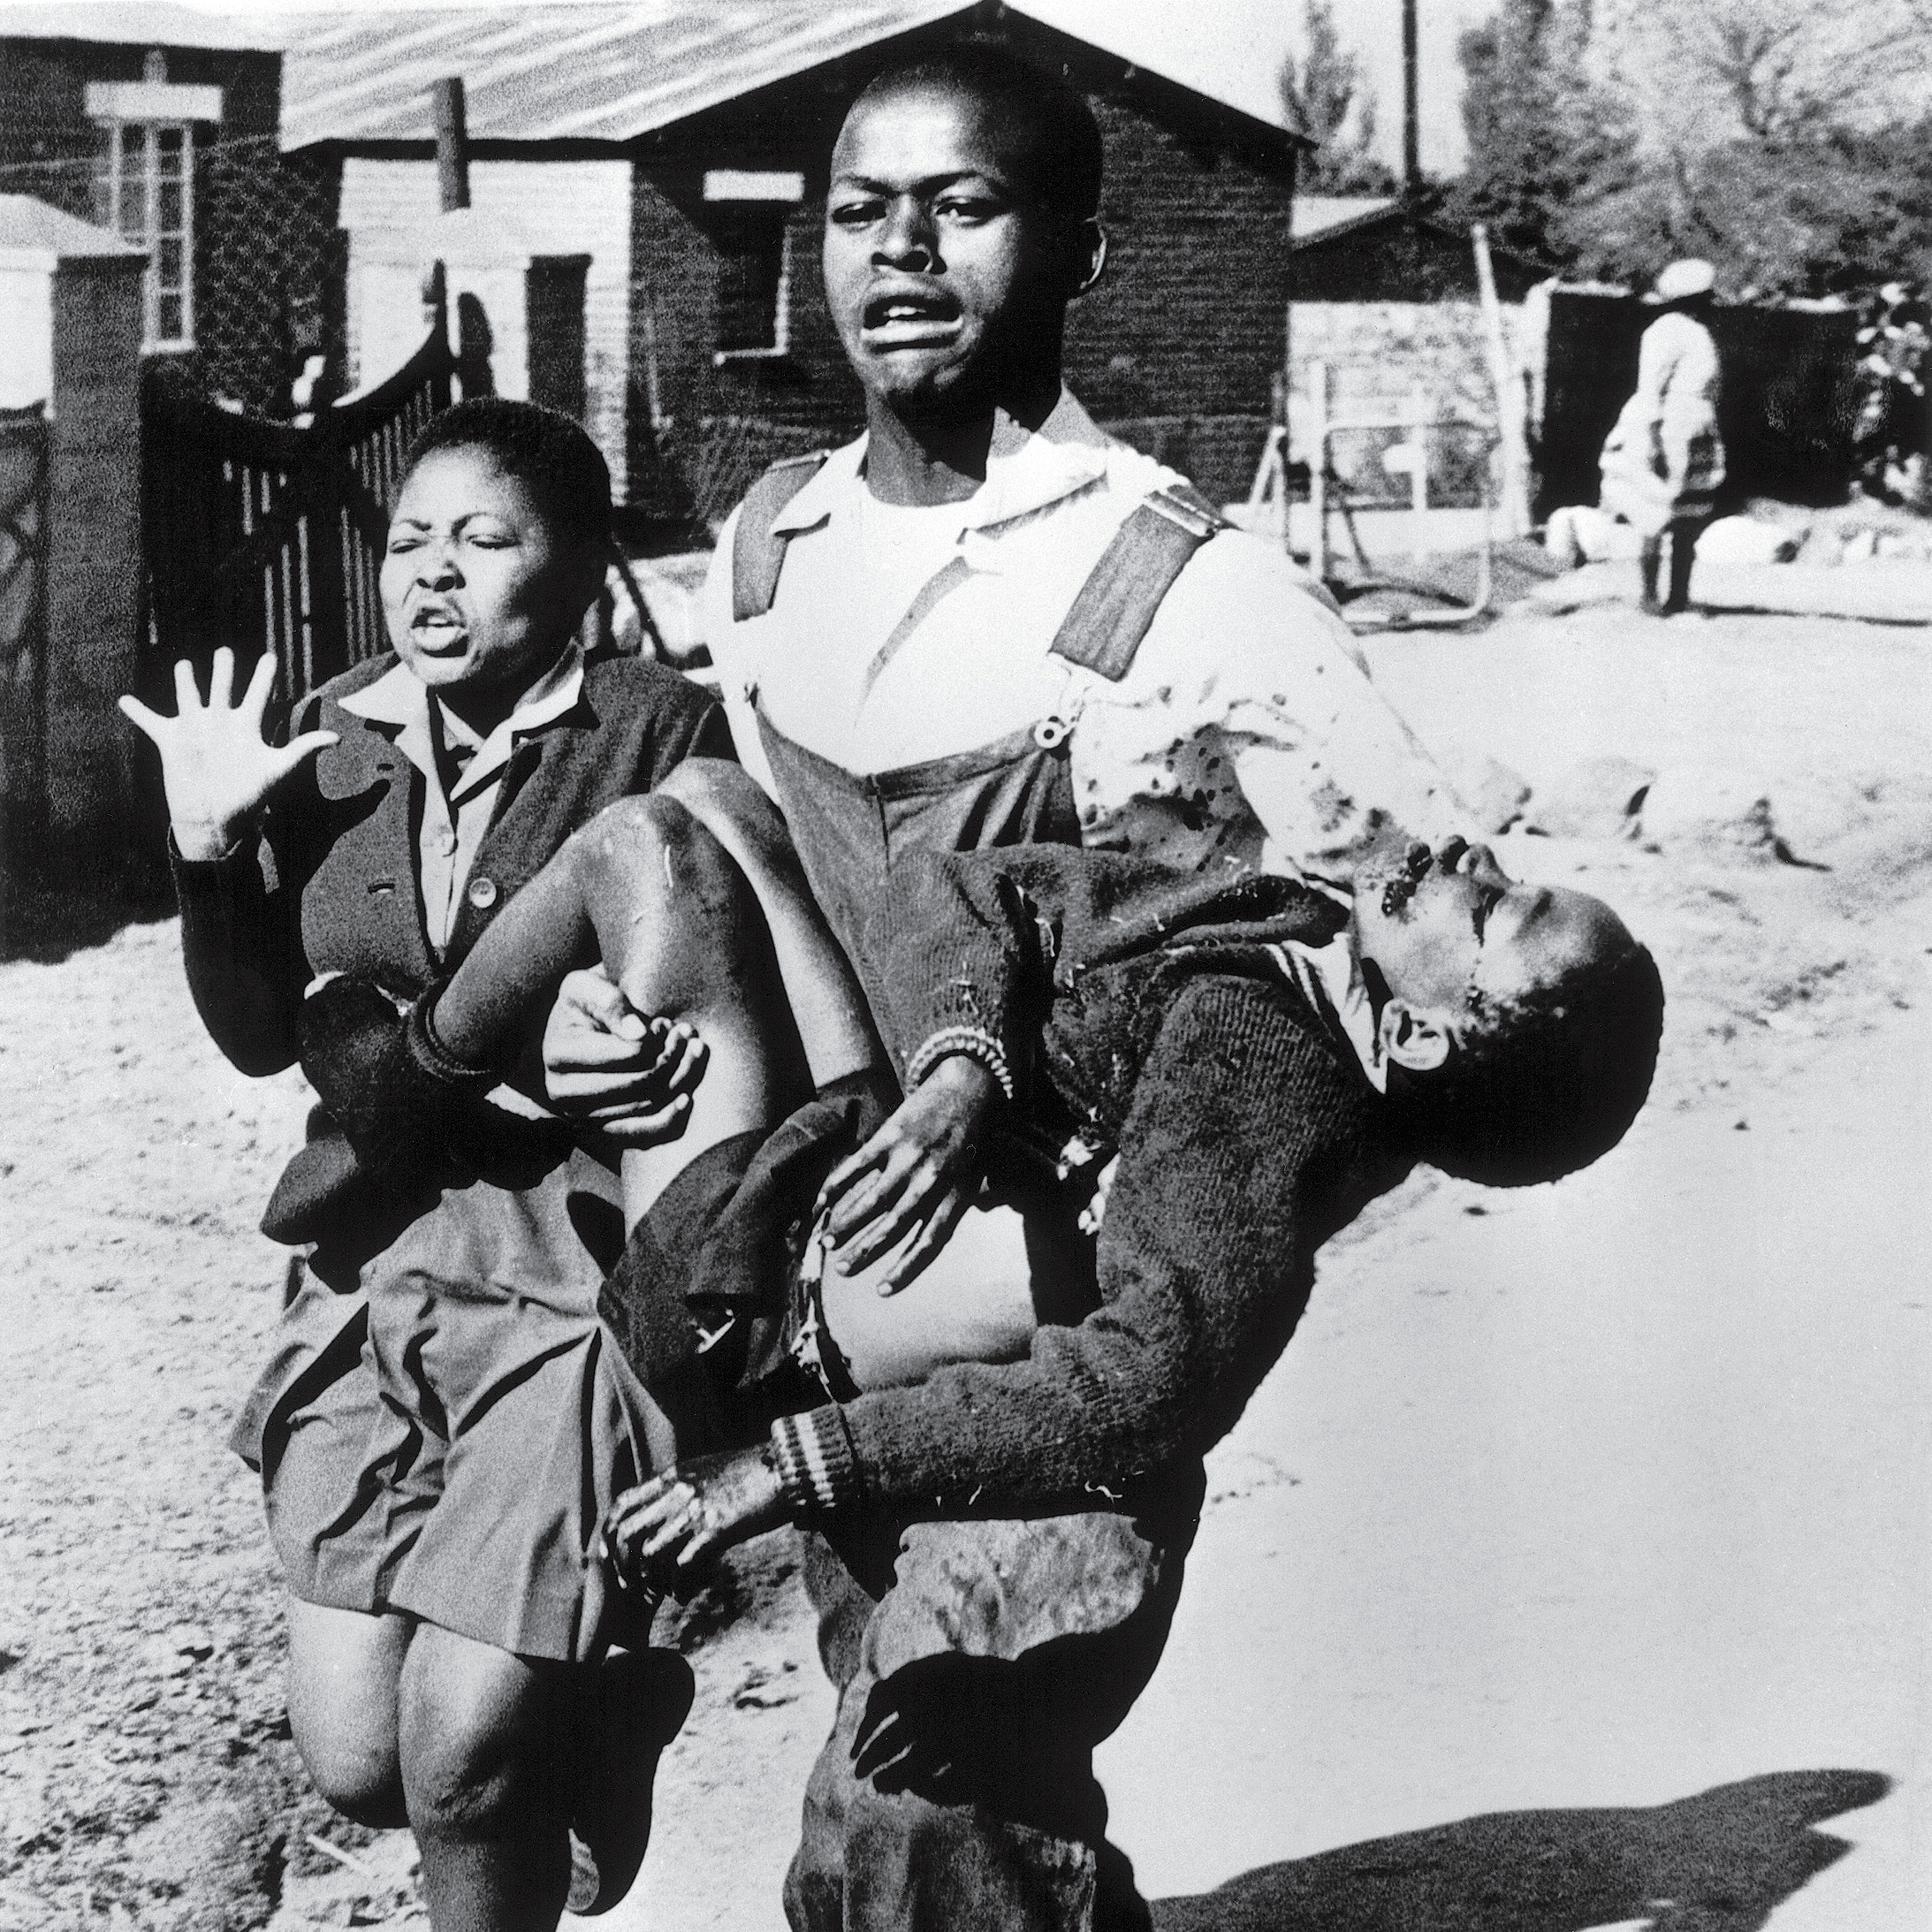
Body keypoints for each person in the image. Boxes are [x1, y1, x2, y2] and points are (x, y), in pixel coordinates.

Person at [541, 41, 1476, 1932]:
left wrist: (1168, 1197)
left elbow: (1420, 990)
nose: (900, 253)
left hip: (1058, 1335)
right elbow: (761, 899)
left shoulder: (1186, 585)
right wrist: (608, 1021)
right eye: (859, 211)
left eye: (962, 207)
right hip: (832, 1287)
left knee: (921, 1801)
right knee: (923, 1809)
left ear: (1079, 251)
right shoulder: (768, 550)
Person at [118, 399, 732, 1930]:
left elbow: (719, 1007)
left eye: (484, 540)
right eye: (408, 542)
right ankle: (604, 1717)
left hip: (573, 1272)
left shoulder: (663, 732)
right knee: (356, 1759)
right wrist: (205, 851)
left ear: (579, 566)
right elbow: (260, 1033)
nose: (432, 575)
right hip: (370, 1260)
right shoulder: (328, 734)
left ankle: (537, 1748)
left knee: (462, 1759)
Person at [1597, 257, 1727, 616]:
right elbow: (1650, 389)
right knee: (1655, 512)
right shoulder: (1665, 330)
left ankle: (1678, 597)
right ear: (1690, 298)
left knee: (1689, 518)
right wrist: (1651, 439)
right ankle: (1650, 597)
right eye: (1706, 297)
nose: (1711, 303)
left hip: (1695, 429)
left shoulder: (1698, 331)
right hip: (1668, 430)